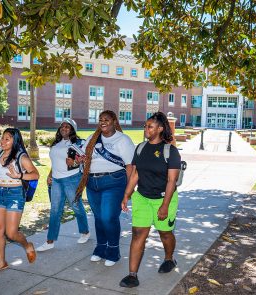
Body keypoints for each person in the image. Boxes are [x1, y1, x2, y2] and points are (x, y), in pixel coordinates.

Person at [119, 112, 181, 288]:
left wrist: (165, 206)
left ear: (160, 129)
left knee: (165, 233)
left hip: (164, 198)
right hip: (142, 198)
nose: (146, 129)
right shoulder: (140, 148)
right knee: (138, 234)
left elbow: (171, 181)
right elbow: (135, 174)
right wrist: (126, 194)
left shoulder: (170, 151)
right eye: (145, 126)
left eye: (150, 126)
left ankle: (169, 259)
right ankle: (132, 275)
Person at [75, 110, 135, 266]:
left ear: (114, 121)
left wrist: (128, 191)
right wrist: (80, 158)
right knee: (99, 218)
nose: (102, 122)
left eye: (106, 119)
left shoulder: (122, 140)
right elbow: (83, 155)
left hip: (114, 182)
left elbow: (130, 166)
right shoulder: (93, 138)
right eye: (100, 119)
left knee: (109, 217)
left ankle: (113, 251)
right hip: (92, 182)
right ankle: (101, 247)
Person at [0, 128, 39, 275]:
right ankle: (1, 263)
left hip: (15, 194)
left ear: (15, 140)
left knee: (11, 233)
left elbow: (35, 174)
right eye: (2, 138)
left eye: (7, 138)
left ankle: (27, 245)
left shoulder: (21, 157)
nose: (3, 141)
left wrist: (19, 175)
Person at [37, 118, 90, 252]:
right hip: (56, 180)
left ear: (73, 130)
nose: (64, 128)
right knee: (55, 210)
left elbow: (86, 160)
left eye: (68, 126)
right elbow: (55, 162)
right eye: (62, 126)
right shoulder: (56, 144)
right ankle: (50, 241)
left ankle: (85, 231)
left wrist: (75, 163)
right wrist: (50, 175)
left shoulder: (78, 143)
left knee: (76, 206)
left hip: (71, 179)